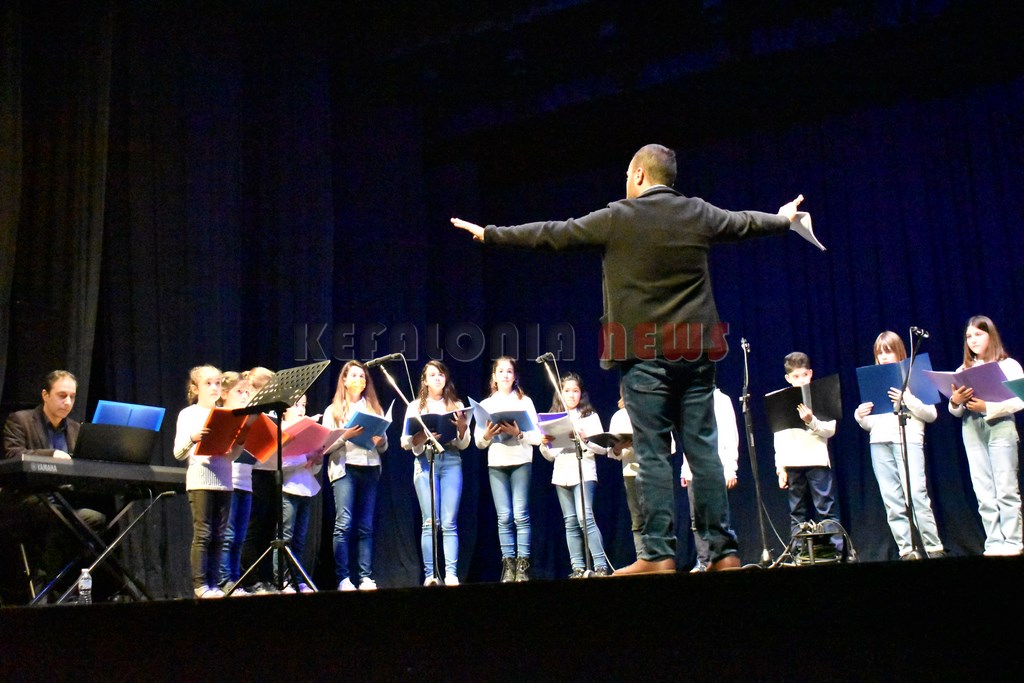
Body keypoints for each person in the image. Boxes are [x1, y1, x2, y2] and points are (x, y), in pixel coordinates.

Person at [452, 143, 804, 573]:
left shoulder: (619, 216)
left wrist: (491, 233)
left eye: (626, 177)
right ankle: (723, 554)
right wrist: (783, 219)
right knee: (703, 451)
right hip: (697, 350)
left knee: (651, 451)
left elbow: (554, 233)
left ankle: (658, 557)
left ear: (639, 175)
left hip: (642, 353)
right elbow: (745, 223)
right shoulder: (697, 212)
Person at [2, 370, 107, 595]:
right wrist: (51, 455)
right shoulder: (20, 420)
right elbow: (13, 455)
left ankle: (53, 581)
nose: (67, 402)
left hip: (62, 501)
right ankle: (45, 585)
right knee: (56, 517)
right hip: (24, 500)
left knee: (94, 519)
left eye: (72, 396)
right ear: (45, 395)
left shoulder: (76, 429)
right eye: (62, 395)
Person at [854, 332, 944, 559]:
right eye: (879, 353)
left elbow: (931, 414)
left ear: (899, 352)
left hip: (908, 439)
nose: (883, 357)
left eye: (888, 351)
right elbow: (871, 423)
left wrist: (908, 400)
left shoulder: (914, 375)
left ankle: (933, 548)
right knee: (892, 500)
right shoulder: (875, 379)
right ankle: (907, 550)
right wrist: (860, 416)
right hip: (879, 442)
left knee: (917, 495)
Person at [949, 315, 1024, 556]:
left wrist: (988, 407)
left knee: (1006, 487)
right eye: (968, 336)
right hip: (972, 429)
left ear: (990, 335)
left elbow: (1021, 400)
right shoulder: (962, 370)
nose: (972, 340)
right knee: (983, 491)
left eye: (978, 334)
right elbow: (955, 410)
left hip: (1000, 426)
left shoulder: (1008, 365)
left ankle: (1013, 542)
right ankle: (994, 542)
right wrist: (955, 401)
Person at [400, 361, 470, 586]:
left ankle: (451, 574)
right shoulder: (415, 407)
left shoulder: (456, 404)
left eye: (441, 374)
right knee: (430, 521)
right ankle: (431, 575)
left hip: (451, 460)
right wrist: (420, 437)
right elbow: (405, 442)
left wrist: (462, 428)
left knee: (449, 522)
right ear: (425, 381)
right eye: (432, 375)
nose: (438, 378)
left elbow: (464, 443)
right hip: (425, 461)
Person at [474, 356, 542, 582]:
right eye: (500, 371)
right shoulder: (486, 404)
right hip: (497, 463)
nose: (505, 375)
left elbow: (537, 437)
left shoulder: (525, 402)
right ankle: (508, 564)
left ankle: (523, 565)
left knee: (520, 515)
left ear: (515, 377)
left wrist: (518, 433)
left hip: (521, 460)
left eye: (509, 371)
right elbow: (478, 442)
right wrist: (487, 434)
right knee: (504, 517)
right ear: (494, 377)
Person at [322, 360, 388, 591]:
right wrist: (345, 435)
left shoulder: (373, 408)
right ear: (344, 379)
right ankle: (343, 578)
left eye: (362, 377)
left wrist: (380, 440)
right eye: (354, 376)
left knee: (366, 526)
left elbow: (384, 446)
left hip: (370, 468)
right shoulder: (333, 410)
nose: (359, 380)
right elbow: (324, 447)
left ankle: (365, 577)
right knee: (344, 524)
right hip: (345, 469)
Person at [540, 372, 612, 577]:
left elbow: (603, 448)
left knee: (585, 517)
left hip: (584, 472)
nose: (571, 395)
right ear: (560, 393)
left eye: (575, 391)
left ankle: (600, 565)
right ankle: (577, 567)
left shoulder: (590, 416)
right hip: (562, 474)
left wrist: (585, 438)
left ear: (582, 394)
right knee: (570, 522)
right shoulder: (554, 417)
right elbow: (549, 456)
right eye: (567, 391)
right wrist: (545, 444)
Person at [174, 364, 236, 598]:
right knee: (203, 534)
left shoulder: (226, 414)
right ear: (195, 388)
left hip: (224, 480)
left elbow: (231, 456)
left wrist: (239, 440)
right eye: (208, 383)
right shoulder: (188, 414)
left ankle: (214, 583)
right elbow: (178, 454)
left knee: (220, 535)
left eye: (218, 383)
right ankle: (200, 586)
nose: (214, 388)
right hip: (200, 481)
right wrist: (193, 438)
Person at [773, 352, 842, 559]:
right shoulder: (782, 398)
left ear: (810, 374)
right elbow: (779, 436)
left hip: (817, 459)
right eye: (796, 377)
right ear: (788, 378)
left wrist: (811, 421)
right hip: (792, 462)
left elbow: (830, 430)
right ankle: (799, 553)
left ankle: (836, 551)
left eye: (804, 375)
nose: (801, 380)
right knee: (797, 511)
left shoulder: (822, 394)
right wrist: (780, 467)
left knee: (826, 508)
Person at [681, 388, 739, 571]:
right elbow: (688, 436)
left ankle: (720, 557)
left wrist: (730, 468)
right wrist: (684, 469)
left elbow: (730, 435)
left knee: (717, 517)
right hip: (692, 470)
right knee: (696, 520)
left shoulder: (721, 400)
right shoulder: (687, 398)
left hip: (716, 467)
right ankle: (703, 561)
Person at [277, 394, 323, 592]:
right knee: (285, 537)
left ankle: (296, 578)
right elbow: (280, 462)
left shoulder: (307, 431)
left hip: (306, 489)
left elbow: (313, 469)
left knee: (300, 539)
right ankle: (283, 580)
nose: (301, 409)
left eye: (304, 405)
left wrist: (316, 460)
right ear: (284, 410)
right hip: (288, 488)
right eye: (296, 405)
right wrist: (305, 457)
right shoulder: (280, 430)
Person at [239, 366, 278, 591]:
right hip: (253, 473)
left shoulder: (272, 411)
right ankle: (250, 579)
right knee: (252, 528)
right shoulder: (248, 408)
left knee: (268, 529)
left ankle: (265, 577)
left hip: (271, 472)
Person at [217, 371, 256, 593]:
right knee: (228, 535)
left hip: (245, 482)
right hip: (228, 481)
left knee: (239, 537)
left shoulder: (248, 418)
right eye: (239, 391)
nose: (244, 396)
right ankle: (224, 580)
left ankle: (235, 578)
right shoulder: (222, 416)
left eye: (247, 392)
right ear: (224, 393)